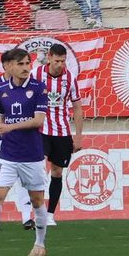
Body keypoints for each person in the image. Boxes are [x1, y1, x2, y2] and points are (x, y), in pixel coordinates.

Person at [0, 48, 51, 256]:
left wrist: (9, 127)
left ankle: (39, 244)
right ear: (8, 66)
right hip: (8, 155)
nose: (26, 68)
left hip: (32, 155)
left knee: (37, 201)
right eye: (21, 64)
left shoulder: (38, 88)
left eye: (28, 63)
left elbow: (38, 121)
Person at [38, 43, 82, 218]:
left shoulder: (70, 78)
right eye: (56, 61)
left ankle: (50, 215)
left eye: (63, 61)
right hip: (40, 129)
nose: (59, 65)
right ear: (49, 58)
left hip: (62, 131)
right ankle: (38, 212)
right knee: (38, 169)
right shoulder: (36, 74)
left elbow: (77, 108)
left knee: (57, 172)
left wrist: (78, 137)